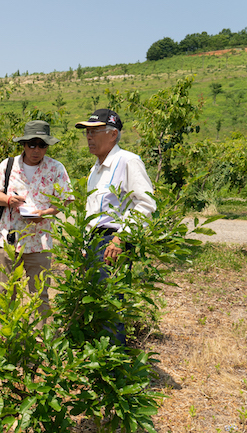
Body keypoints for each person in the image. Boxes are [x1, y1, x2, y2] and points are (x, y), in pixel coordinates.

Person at [74, 108, 157, 343]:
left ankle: (111, 369)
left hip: (112, 242)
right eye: (87, 132)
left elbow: (146, 204)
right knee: (94, 304)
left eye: (95, 131)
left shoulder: (128, 161)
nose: (89, 137)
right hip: (94, 242)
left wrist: (122, 237)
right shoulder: (95, 169)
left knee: (111, 306)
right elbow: (92, 211)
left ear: (113, 134)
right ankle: (95, 365)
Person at [0, 120, 72, 317]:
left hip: (39, 241)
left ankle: (40, 339)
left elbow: (65, 199)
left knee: (39, 293)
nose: (36, 150)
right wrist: (9, 200)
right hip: (9, 241)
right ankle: (8, 341)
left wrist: (45, 213)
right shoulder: (8, 165)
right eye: (32, 144)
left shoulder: (56, 168)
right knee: (8, 292)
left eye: (42, 145)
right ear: (24, 145)